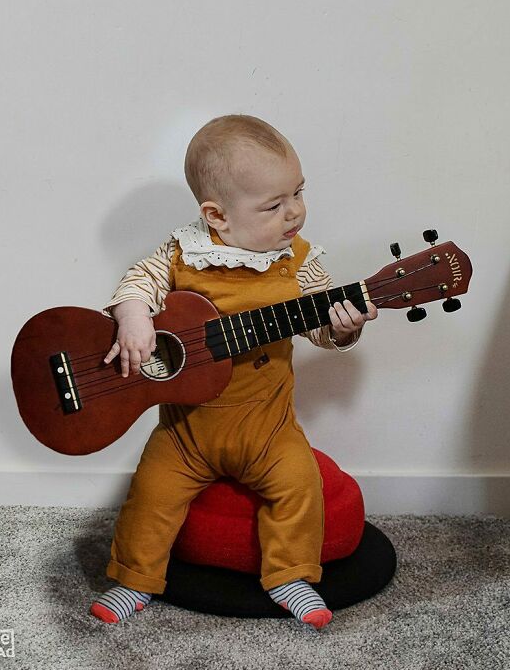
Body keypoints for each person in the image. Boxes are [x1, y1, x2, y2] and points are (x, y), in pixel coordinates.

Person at [89, 114, 378, 630]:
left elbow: (319, 327)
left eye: (298, 192)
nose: (294, 212)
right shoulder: (181, 254)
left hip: (267, 428)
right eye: (273, 205)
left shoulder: (300, 264)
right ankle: (134, 578)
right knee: (150, 495)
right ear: (216, 216)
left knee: (299, 484)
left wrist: (344, 328)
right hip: (186, 431)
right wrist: (133, 317)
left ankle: (290, 575)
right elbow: (139, 281)